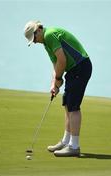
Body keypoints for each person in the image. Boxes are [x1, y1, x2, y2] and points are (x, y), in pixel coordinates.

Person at [24, 20, 92, 157]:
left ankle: (74, 146)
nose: (35, 42)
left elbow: (62, 61)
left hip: (81, 67)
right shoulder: (46, 43)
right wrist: (54, 84)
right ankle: (66, 141)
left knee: (73, 107)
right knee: (67, 104)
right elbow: (56, 64)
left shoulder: (50, 35)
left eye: (34, 38)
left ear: (38, 30)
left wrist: (59, 80)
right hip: (74, 70)